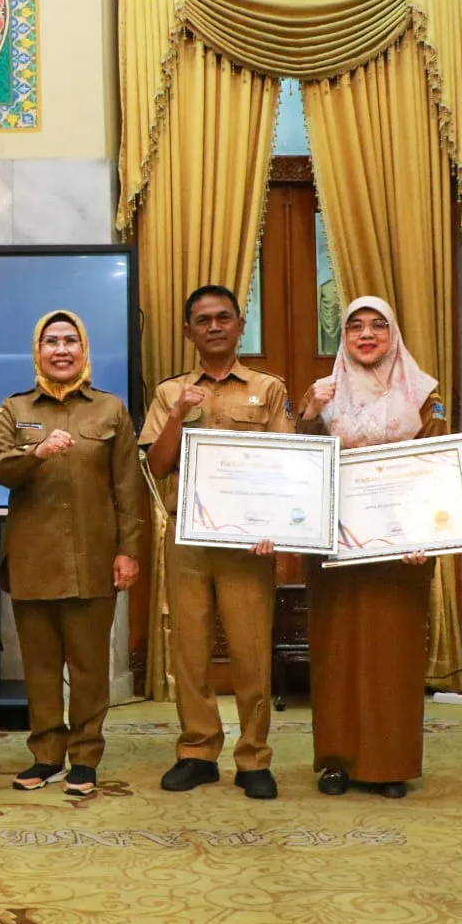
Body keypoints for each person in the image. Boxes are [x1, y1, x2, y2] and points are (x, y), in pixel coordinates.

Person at [139, 285, 292, 800]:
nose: (214, 327)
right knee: (190, 650)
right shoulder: (171, 392)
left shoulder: (268, 389)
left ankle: (254, 757)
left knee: (251, 653)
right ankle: (198, 752)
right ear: (189, 332)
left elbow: (287, 466)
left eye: (223, 317)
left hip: (249, 543)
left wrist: (275, 525)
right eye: (202, 320)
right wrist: (179, 414)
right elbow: (157, 465)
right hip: (189, 537)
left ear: (239, 325)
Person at [296, 296, 448, 798]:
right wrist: (310, 413)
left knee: (393, 655)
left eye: (378, 325)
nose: (366, 335)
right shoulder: (324, 393)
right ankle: (336, 761)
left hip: (402, 551)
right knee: (337, 652)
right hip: (336, 549)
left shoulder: (424, 394)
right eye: (355, 326)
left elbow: (437, 468)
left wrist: (426, 535)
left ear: (393, 333)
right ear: (343, 336)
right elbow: (298, 463)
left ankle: (389, 764)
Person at [0, 311, 141, 797]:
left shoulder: (110, 409)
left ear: (83, 349)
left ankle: (85, 758)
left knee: (90, 668)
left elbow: (128, 488)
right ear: (38, 351)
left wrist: (129, 550)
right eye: (50, 341)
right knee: (40, 668)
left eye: (70, 341)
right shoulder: (14, 409)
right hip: (32, 560)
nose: (60, 350)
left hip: (93, 559)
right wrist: (36, 453)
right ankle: (46, 757)